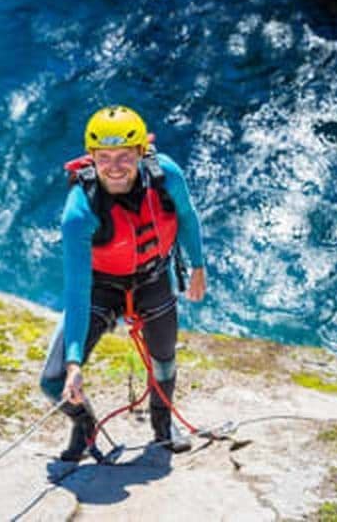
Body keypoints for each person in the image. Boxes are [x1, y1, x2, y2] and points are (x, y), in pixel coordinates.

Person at [39, 105, 206, 462]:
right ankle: (85, 427)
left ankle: (163, 426)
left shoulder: (166, 176)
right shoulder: (79, 212)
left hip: (153, 277)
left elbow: (187, 217)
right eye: (104, 157)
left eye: (125, 156)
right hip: (101, 287)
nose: (114, 167)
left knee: (164, 360)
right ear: (92, 157)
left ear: (141, 152)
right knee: (53, 381)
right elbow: (76, 291)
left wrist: (198, 266)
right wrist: (74, 364)